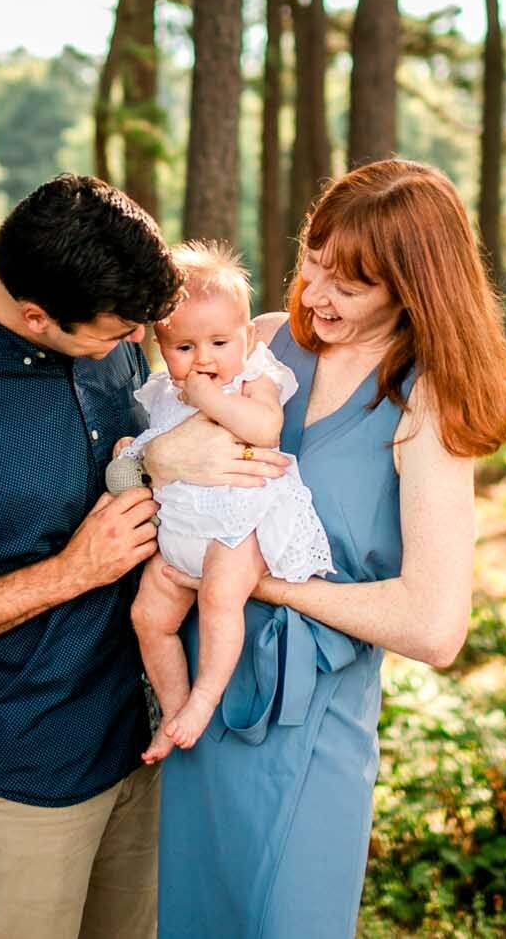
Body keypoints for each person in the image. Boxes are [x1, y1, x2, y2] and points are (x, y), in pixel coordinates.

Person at [0, 175, 284, 939]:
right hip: (21, 774)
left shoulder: (105, 331)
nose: (133, 350)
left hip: (140, 745)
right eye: (115, 336)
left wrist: (172, 455)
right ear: (36, 316)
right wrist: (69, 572)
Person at [152, 159, 506, 938]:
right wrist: (155, 462)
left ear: (413, 291)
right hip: (195, 703)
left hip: (305, 723)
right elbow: (159, 443)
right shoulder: (262, 342)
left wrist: (272, 586)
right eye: (314, 262)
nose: (316, 295)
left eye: (347, 285)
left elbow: (434, 624)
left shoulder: (425, 402)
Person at [124, 241, 335, 765]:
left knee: (221, 598)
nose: (204, 360)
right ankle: (174, 714)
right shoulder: (161, 391)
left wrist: (213, 400)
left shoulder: (253, 377)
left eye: (219, 342)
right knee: (148, 616)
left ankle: (203, 699)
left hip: (238, 525)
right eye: (185, 348)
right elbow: (150, 450)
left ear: (245, 337)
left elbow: (266, 428)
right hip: (178, 536)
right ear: (161, 345)